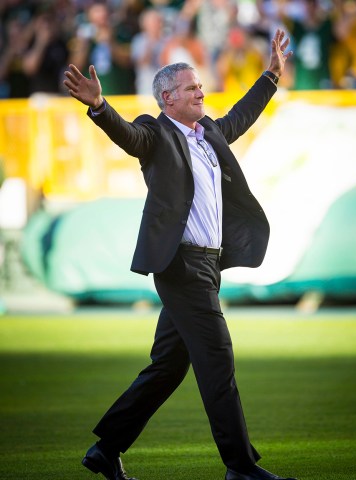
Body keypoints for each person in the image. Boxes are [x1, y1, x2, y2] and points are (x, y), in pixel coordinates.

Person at [63, 29, 296, 480]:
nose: (200, 92)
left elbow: (240, 117)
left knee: (169, 366)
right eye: (191, 87)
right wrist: (99, 107)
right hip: (181, 265)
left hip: (207, 265)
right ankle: (241, 468)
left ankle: (106, 448)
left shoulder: (207, 131)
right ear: (167, 97)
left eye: (200, 86)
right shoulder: (156, 133)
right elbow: (127, 136)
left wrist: (270, 76)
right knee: (218, 358)